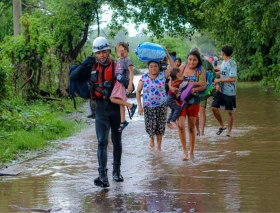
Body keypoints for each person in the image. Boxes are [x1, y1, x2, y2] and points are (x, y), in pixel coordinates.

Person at [79, 36, 124, 188]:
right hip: (100, 110)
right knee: (102, 142)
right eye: (98, 53)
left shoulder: (117, 66)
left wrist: (123, 78)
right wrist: (84, 64)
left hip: (116, 109)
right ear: (95, 54)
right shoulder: (91, 67)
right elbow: (73, 77)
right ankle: (102, 176)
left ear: (109, 51)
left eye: (104, 52)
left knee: (117, 140)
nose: (102, 55)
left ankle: (116, 172)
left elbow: (126, 81)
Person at [169, 51, 206, 160]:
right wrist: (171, 88)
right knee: (180, 126)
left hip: (194, 100)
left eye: (194, 60)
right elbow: (171, 79)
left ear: (198, 60)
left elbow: (203, 85)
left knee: (191, 127)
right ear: (187, 59)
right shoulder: (182, 68)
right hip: (181, 101)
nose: (192, 62)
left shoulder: (200, 70)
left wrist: (194, 89)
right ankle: (185, 153)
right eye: (190, 59)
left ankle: (192, 152)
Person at [136, 47, 174, 152]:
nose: (153, 68)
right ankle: (151, 138)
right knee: (151, 126)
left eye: (155, 66)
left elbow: (173, 67)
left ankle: (159, 147)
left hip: (162, 105)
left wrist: (166, 52)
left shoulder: (163, 75)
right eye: (151, 67)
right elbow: (138, 92)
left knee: (160, 126)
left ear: (159, 67)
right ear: (148, 68)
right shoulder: (144, 78)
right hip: (148, 106)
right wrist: (139, 106)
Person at [110, 42, 137, 132]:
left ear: (127, 51)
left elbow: (131, 72)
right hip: (118, 83)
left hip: (122, 83)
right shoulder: (118, 60)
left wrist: (130, 83)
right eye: (119, 51)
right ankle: (123, 121)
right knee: (121, 103)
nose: (121, 53)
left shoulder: (127, 60)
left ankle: (131, 105)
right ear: (116, 52)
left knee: (112, 99)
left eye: (123, 51)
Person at [211, 45, 237, 137]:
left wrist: (219, 80)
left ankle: (229, 131)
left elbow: (233, 78)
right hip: (220, 90)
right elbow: (222, 74)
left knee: (229, 112)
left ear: (223, 53)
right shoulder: (223, 63)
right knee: (214, 107)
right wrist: (213, 73)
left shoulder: (232, 63)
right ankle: (222, 125)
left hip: (230, 92)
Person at [191, 48, 215, 136]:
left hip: (203, 91)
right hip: (192, 92)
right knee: (196, 112)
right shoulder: (188, 65)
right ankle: (198, 130)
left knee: (201, 111)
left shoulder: (205, 63)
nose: (192, 61)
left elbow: (212, 75)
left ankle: (201, 132)